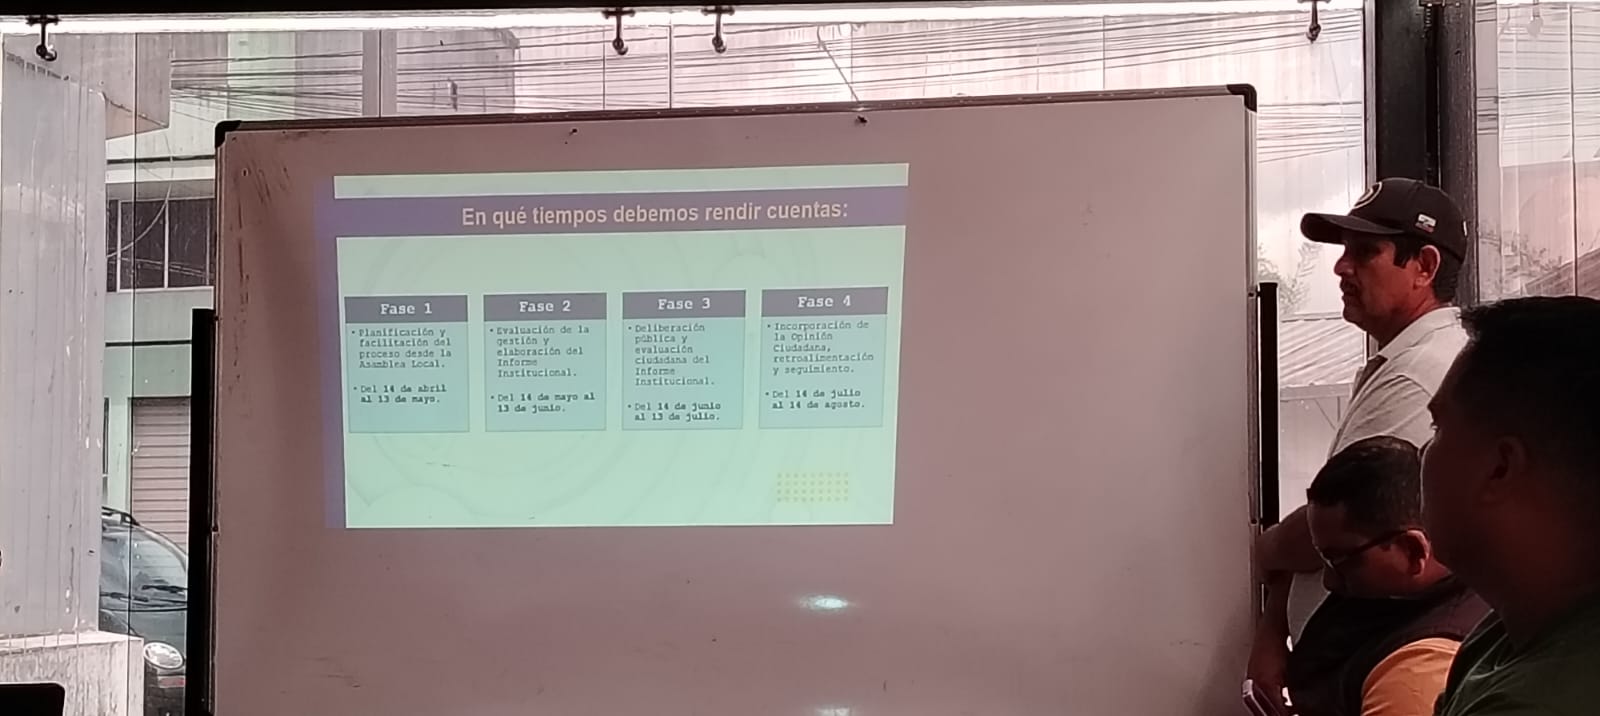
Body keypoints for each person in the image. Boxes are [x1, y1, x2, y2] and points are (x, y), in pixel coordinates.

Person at [1249, 178, 1472, 709]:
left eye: (1366, 252)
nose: (1341, 267)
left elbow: (1345, 522)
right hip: (1354, 657)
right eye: (1344, 250)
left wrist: (1261, 551)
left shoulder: (1420, 375)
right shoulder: (1402, 362)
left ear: (1424, 267)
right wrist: (1274, 622)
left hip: (1381, 657)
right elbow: (1331, 520)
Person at [1422, 297, 1600, 716]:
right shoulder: (1508, 630)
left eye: (1437, 427)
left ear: (1500, 468)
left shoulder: (1539, 702)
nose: (1420, 453)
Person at [1285, 436, 1488, 716]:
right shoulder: (1397, 592)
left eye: (1340, 560)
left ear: (1412, 550)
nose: (1329, 582)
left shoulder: (1416, 675)